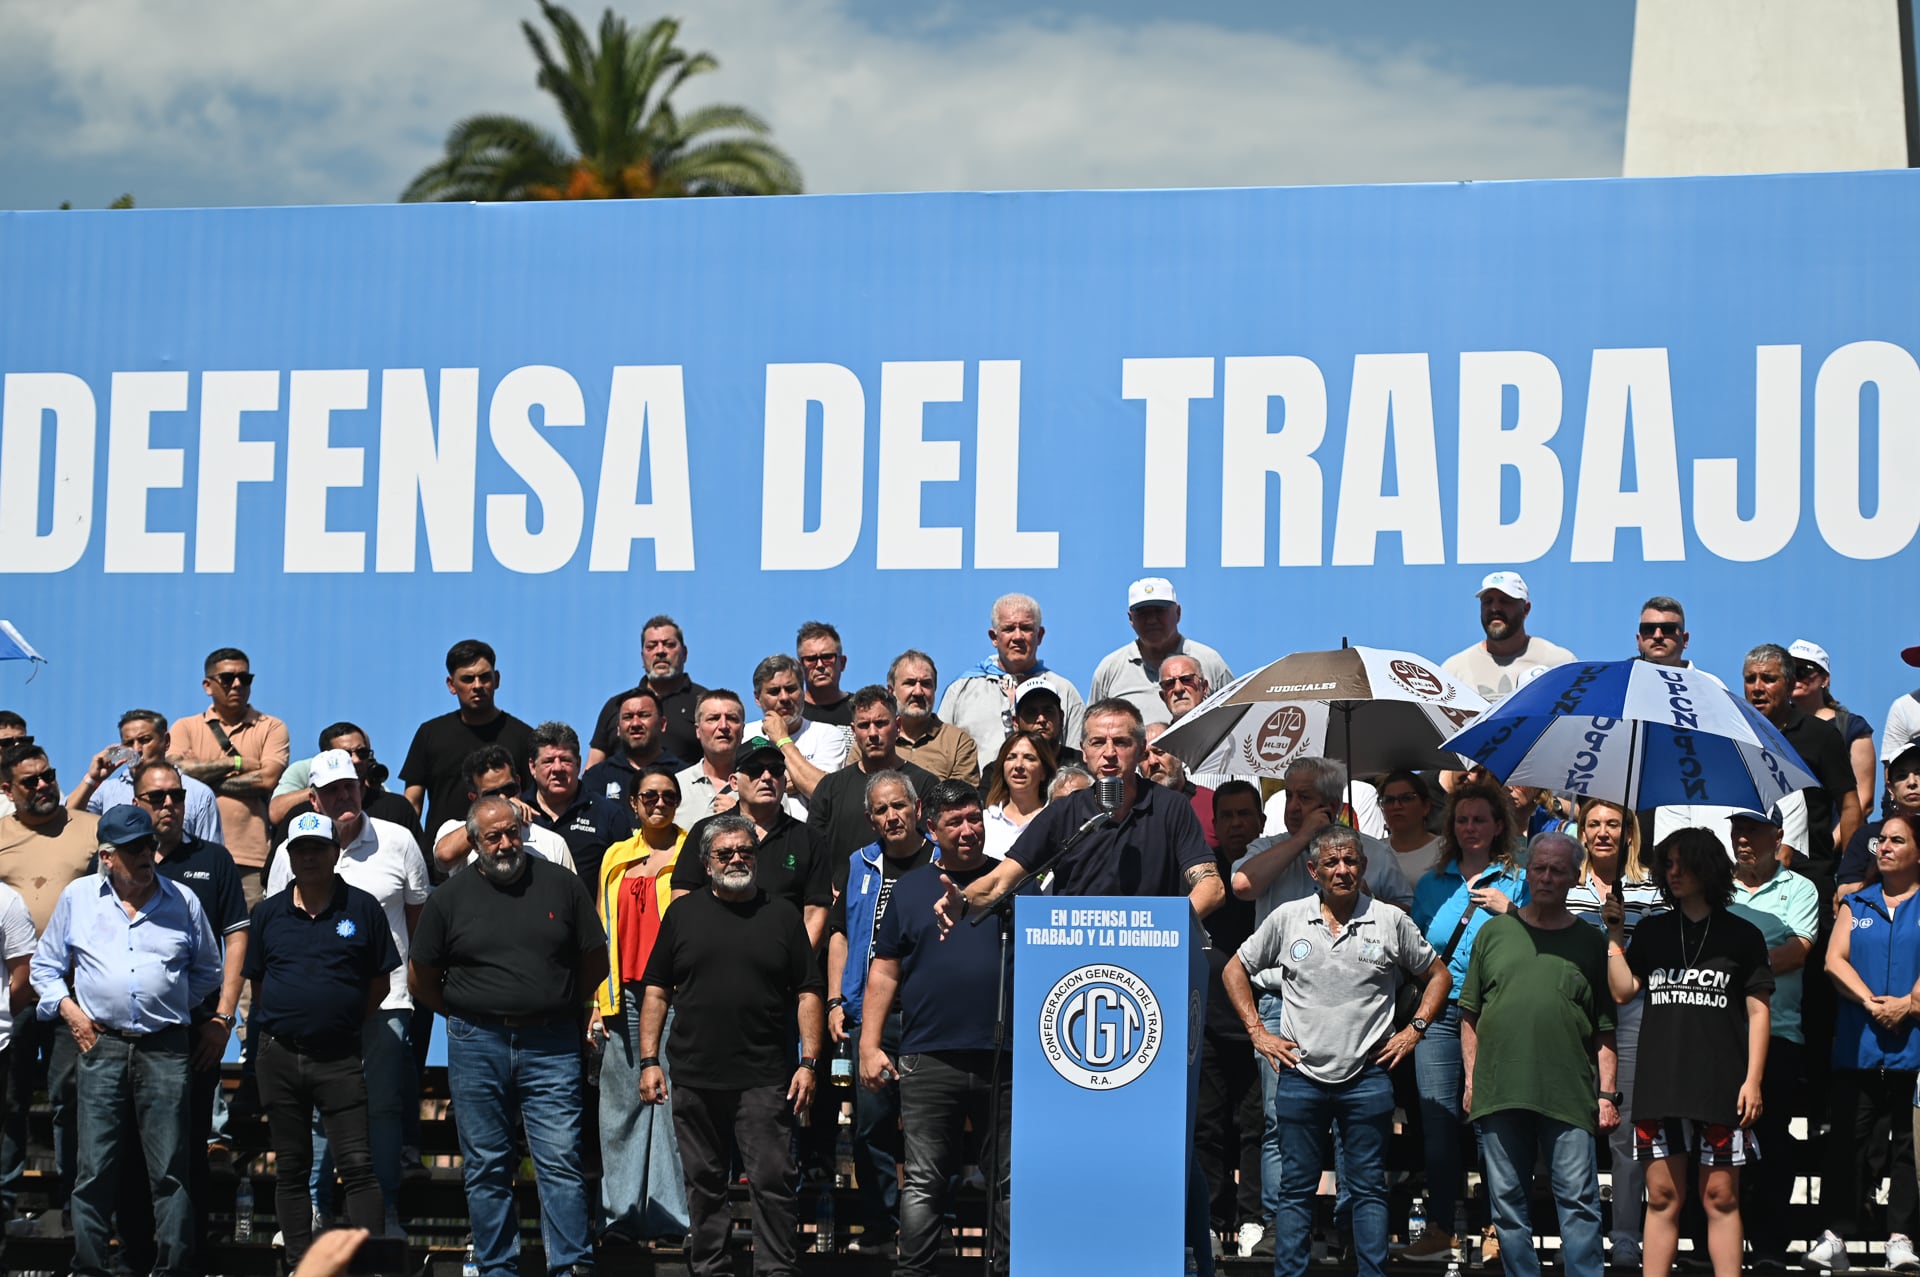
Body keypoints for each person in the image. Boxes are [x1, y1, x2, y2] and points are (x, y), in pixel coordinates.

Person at [1224, 824, 1450, 1277]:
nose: (1342, 870)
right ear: (1314, 870)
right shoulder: (1288, 917)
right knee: (1296, 1189)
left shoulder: (1390, 920)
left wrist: (1415, 1030)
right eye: (1332, 862)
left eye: (1350, 861)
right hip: (1300, 1074)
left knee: (1368, 1189)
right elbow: (1235, 968)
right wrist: (1257, 1032)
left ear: (1364, 866)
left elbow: (1438, 976)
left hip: (1367, 1077)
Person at [408, 795, 607, 1277]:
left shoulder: (561, 884)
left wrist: (557, 1003)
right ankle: (498, 1267)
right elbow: (422, 977)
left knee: (559, 1160)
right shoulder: (448, 899)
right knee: (487, 1165)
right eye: (492, 836)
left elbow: (594, 960)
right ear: (474, 843)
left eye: (512, 832)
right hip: (477, 1041)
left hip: (551, 1044)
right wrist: (465, 1012)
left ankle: (571, 1266)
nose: (505, 843)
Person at [32, 804, 221, 1277]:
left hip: (165, 1047)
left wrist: (171, 1004)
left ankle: (175, 1268)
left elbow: (207, 970)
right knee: (93, 1169)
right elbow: (45, 968)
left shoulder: (183, 900)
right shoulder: (79, 898)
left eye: (150, 845)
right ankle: (89, 1268)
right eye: (135, 848)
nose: (147, 855)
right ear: (107, 856)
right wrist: (73, 1014)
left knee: (171, 1169)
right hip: (101, 1045)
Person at [637, 815, 826, 1277]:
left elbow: (808, 991)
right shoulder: (682, 914)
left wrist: (809, 1062)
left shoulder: (781, 913)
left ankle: (776, 1271)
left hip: (764, 1076)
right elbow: (657, 991)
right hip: (695, 1075)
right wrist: (647, 1060)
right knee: (703, 1185)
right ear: (706, 863)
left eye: (745, 851)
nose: (737, 859)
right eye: (725, 853)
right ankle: (710, 1268)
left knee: (772, 1181)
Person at [860, 780, 1028, 1277]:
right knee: (925, 1180)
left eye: (974, 818)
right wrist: (869, 1044)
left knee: (1011, 1180)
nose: (968, 830)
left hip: (1008, 1057)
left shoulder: (1012, 880)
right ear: (929, 827)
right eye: (954, 822)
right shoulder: (910, 888)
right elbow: (884, 971)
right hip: (928, 1055)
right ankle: (914, 1271)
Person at [266, 749, 431, 1232]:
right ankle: (314, 1212)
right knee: (316, 1109)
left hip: (388, 1001)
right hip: (313, 1010)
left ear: (363, 788)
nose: (344, 796)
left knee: (381, 1109)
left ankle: (383, 1216)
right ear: (312, 799)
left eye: (351, 786)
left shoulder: (398, 839)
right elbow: (277, 923)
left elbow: (418, 923)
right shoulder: (289, 850)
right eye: (333, 790)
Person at [1603, 829, 1773, 1277]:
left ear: (1708, 867)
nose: (1672, 873)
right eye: (1668, 864)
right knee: (1661, 1197)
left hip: (1722, 1084)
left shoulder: (1743, 934)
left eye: (1683, 863)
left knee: (1720, 1196)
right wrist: (1615, 936)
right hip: (1661, 1083)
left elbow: (1758, 1013)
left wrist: (1753, 1080)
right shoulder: (1655, 930)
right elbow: (1623, 991)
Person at [1459, 832, 1617, 1277]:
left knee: (1580, 1203)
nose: (1546, 877)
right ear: (1527, 873)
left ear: (1573, 878)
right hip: (1498, 1089)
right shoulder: (1493, 933)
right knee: (1507, 1207)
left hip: (1568, 1093)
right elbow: (1468, 1015)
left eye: (1557, 870)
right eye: (1539, 868)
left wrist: (1608, 1095)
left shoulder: (1590, 941)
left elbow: (1605, 1028)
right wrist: (1471, 1080)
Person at [245, 811, 398, 1269]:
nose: (309, 856)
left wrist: (339, 1021)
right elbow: (259, 985)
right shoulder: (268, 913)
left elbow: (380, 983)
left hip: (339, 1057)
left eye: (318, 848)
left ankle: (365, 1265)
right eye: (300, 849)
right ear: (289, 857)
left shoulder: (363, 907)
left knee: (356, 1166)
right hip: (279, 1055)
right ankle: (299, 1266)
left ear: (336, 853)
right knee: (291, 1168)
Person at [1401, 777, 1531, 1263]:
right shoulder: (1433, 883)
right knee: (1437, 1123)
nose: (1471, 827)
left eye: (1480, 819)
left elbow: (1542, 938)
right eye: (1462, 820)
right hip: (1438, 1010)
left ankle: (1499, 1227)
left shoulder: (1518, 878)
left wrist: (1511, 911)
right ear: (1451, 827)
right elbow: (1416, 949)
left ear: (1500, 825)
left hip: (1496, 1011)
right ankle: (1441, 1227)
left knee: (1491, 1123)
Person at [940, 698, 1224, 919]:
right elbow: (1000, 882)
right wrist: (963, 901)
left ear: (1140, 750)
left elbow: (1211, 887)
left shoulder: (1170, 806)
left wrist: (1165, 928)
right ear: (1084, 752)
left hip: (1151, 959)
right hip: (1077, 961)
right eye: (1098, 742)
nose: (1109, 753)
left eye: (1121, 742)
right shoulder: (1064, 812)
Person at [129, 759, 249, 1261]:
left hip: (197, 1028)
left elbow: (236, 935)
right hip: (133, 1033)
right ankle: (135, 1254)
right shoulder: (120, 859)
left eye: (175, 796)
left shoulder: (214, 860)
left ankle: (189, 1258)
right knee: (133, 1153)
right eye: (156, 798)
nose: (168, 806)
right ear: (137, 803)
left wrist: (223, 1018)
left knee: (192, 1146)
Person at [827, 771, 937, 1255]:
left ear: (916, 809)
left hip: (930, 1013)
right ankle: (880, 1223)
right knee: (870, 1124)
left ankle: (931, 1227)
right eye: (881, 810)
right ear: (870, 817)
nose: (892, 817)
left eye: (899, 806)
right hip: (869, 1015)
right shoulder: (859, 863)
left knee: (930, 1127)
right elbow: (841, 933)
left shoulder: (942, 858)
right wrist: (835, 998)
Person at [1812, 812, 1920, 1273]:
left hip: (1913, 1051)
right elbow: (1834, 962)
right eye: (1882, 841)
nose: (1885, 847)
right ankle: (1835, 1235)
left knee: (1906, 1148)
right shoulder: (1857, 905)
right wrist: (1873, 1003)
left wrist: (1909, 1006)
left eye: (1898, 840)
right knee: (1848, 1147)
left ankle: (1901, 1238)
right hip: (1859, 1050)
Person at [590, 765, 689, 1246]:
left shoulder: (694, 849)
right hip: (622, 995)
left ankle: (670, 1220)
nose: (658, 802)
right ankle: (621, 1217)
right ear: (633, 803)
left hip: (677, 994)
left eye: (668, 795)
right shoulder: (615, 855)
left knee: (671, 1108)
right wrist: (595, 1001)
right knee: (620, 1109)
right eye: (648, 795)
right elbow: (600, 926)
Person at [0, 741, 98, 1220]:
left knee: (69, 1096)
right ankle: (5, 1200)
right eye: (29, 781)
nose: (43, 786)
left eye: (48, 775)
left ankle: (72, 1202)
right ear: (5, 789)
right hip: (13, 995)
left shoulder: (91, 830)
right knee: (10, 1099)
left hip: (74, 991)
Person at [1566, 796, 1662, 1268]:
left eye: (1613, 824)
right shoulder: (1565, 887)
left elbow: (1661, 954)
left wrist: (1621, 930)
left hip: (1632, 1015)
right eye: (1593, 824)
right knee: (1574, 1130)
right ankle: (1581, 1235)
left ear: (1629, 833)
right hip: (1576, 1018)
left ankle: (1625, 1234)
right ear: (1581, 832)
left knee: (1624, 1133)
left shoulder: (1652, 889)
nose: (1603, 832)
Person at [1722, 807, 1819, 1268]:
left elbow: (1796, 952)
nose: (1743, 839)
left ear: (1777, 835)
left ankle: (1768, 1249)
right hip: (1721, 1034)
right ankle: (1716, 1248)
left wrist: (1735, 971)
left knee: (1774, 1144)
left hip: (1778, 1032)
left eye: (1753, 831)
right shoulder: (1716, 889)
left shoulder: (1800, 888)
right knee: (1719, 1144)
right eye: (1737, 830)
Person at [1194, 781, 1268, 1258]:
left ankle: (1252, 1218)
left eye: (1247, 814)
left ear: (1262, 821)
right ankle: (1211, 1219)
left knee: (1258, 1125)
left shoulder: (1273, 870)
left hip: (1268, 1022)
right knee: (1207, 1126)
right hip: (1209, 1020)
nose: (1238, 823)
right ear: (1215, 825)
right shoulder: (1205, 878)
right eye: (1229, 816)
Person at [674, 736, 832, 949]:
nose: (766, 777)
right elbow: (683, 898)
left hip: (782, 967)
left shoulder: (808, 838)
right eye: (755, 769)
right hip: (712, 961)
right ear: (734, 782)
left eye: (776, 770)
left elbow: (815, 913)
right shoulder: (705, 831)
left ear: (784, 782)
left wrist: (797, 969)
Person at [170, 646, 291, 902]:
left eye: (244, 678)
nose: (237, 684)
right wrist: (236, 762)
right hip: (193, 854)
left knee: (250, 937)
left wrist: (203, 778)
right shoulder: (185, 727)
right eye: (227, 678)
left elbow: (267, 779)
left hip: (251, 858)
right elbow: (177, 774)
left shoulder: (271, 727)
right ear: (207, 685)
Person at [1232, 758, 1414, 922]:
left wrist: (1370, 901)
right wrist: (1303, 837)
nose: (1293, 806)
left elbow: (1408, 913)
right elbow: (1243, 886)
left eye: (1304, 797)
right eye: (1289, 796)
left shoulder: (1374, 852)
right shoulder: (1267, 847)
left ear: (1332, 806)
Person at [1743, 642, 1862, 873]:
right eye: (1750, 679)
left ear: (1789, 685)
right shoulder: (1736, 734)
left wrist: (1851, 874)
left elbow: (1849, 806)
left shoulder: (1821, 735)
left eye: (1768, 679)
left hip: (1810, 875)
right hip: (1744, 879)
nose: (1757, 688)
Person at [399, 639, 535, 834]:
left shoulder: (523, 736)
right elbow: (412, 804)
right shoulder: (430, 734)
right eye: (468, 679)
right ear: (451, 684)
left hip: (506, 852)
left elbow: (534, 800)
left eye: (484, 677)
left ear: (497, 679)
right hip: (441, 858)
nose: (477, 685)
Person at [938, 593, 1086, 764]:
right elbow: (941, 756)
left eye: (1026, 628)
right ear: (994, 637)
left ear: (1040, 635)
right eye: (1008, 629)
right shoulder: (961, 691)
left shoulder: (1063, 691)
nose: (1017, 637)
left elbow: (1077, 761)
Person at [805, 686, 935, 867]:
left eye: (880, 723)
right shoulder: (830, 787)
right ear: (853, 731)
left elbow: (934, 847)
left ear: (897, 726)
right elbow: (813, 850)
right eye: (864, 725)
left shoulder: (925, 784)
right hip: (842, 894)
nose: (872, 733)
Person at [1088, 577, 1233, 726]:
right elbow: (1094, 731)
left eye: (1160, 611)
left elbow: (1236, 722)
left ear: (1178, 612)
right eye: (1142, 613)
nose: (1151, 620)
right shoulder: (1110, 669)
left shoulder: (1210, 662)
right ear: (1131, 619)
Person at [67, 709, 222, 843]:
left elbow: (210, 855)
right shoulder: (105, 791)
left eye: (145, 740)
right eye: (128, 743)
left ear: (166, 741)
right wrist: (92, 779)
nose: (137, 749)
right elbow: (67, 822)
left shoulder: (197, 793)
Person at [271, 723, 427, 851]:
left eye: (363, 753)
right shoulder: (300, 815)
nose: (356, 760)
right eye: (345, 754)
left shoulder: (395, 808)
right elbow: (276, 813)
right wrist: (321, 787)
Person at [430, 745, 577, 875]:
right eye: (491, 795)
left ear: (518, 783)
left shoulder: (552, 843)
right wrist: (480, 823)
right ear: (474, 798)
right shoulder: (455, 830)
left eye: (509, 789)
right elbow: (444, 859)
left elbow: (569, 895)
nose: (503, 799)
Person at [586, 615, 706, 769]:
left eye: (669, 644)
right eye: (651, 646)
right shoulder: (617, 706)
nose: (660, 651)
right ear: (643, 657)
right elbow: (592, 768)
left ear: (684, 653)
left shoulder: (704, 703)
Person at [523, 721, 630, 891]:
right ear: (532, 766)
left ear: (579, 763)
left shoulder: (609, 815)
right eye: (548, 761)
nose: (557, 768)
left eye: (565, 760)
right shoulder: (515, 814)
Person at [1441, 571, 1576, 705]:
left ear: (1526, 609)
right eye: (1487, 601)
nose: (1495, 608)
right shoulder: (1454, 671)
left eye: (1505, 601)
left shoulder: (1560, 663)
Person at [1788, 639, 1878, 828]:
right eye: (1788, 672)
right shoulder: (1774, 728)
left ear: (1825, 679)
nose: (1795, 677)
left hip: (1835, 851)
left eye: (1803, 670)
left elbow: (1864, 799)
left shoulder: (1851, 727)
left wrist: (1831, 844)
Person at [750, 653, 851, 817]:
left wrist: (782, 739)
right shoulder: (744, 735)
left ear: (803, 691)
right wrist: (797, 779)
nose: (784, 698)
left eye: (791, 689)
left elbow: (823, 792)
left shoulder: (828, 734)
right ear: (757, 698)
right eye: (774, 691)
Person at [580, 687, 685, 807]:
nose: (635, 724)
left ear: (662, 724)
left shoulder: (683, 775)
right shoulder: (597, 777)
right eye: (628, 717)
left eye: (643, 715)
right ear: (618, 728)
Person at [1837, 746, 1920, 897]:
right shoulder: (1868, 835)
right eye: (1902, 776)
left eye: (1919, 773)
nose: (1912, 782)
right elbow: (1844, 891)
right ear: (1890, 789)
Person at [888, 650, 980, 784]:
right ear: (891, 691)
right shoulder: (872, 738)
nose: (918, 692)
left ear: (935, 688)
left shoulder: (958, 742)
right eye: (910, 683)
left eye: (926, 684)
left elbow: (962, 801)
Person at [977, 680, 1085, 793]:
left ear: (1061, 717)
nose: (1041, 719)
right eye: (1031, 712)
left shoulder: (1082, 764)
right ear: (1015, 723)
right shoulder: (998, 772)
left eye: (1048, 711)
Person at [671, 689, 748, 831]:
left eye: (732, 718)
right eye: (713, 718)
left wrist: (743, 818)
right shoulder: (675, 787)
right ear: (697, 730)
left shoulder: (764, 785)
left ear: (743, 730)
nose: (723, 726)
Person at [980, 730, 1057, 861]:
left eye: (1029, 758)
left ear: (1044, 771)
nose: (1019, 765)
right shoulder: (983, 821)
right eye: (1011, 757)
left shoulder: (1056, 821)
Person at [1143, 722, 1217, 846]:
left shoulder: (1212, 803)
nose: (1152, 761)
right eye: (1144, 755)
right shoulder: (1129, 811)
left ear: (1180, 753)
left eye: (1160, 752)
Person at [1378, 770, 1443, 884]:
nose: (1396, 806)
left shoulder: (1444, 850)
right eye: (1389, 800)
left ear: (1426, 806)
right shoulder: (1374, 850)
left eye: (1406, 798)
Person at [796, 620, 855, 725]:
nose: (820, 665)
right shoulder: (791, 713)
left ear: (842, 662)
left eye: (827, 657)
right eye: (811, 659)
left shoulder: (860, 708)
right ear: (800, 667)